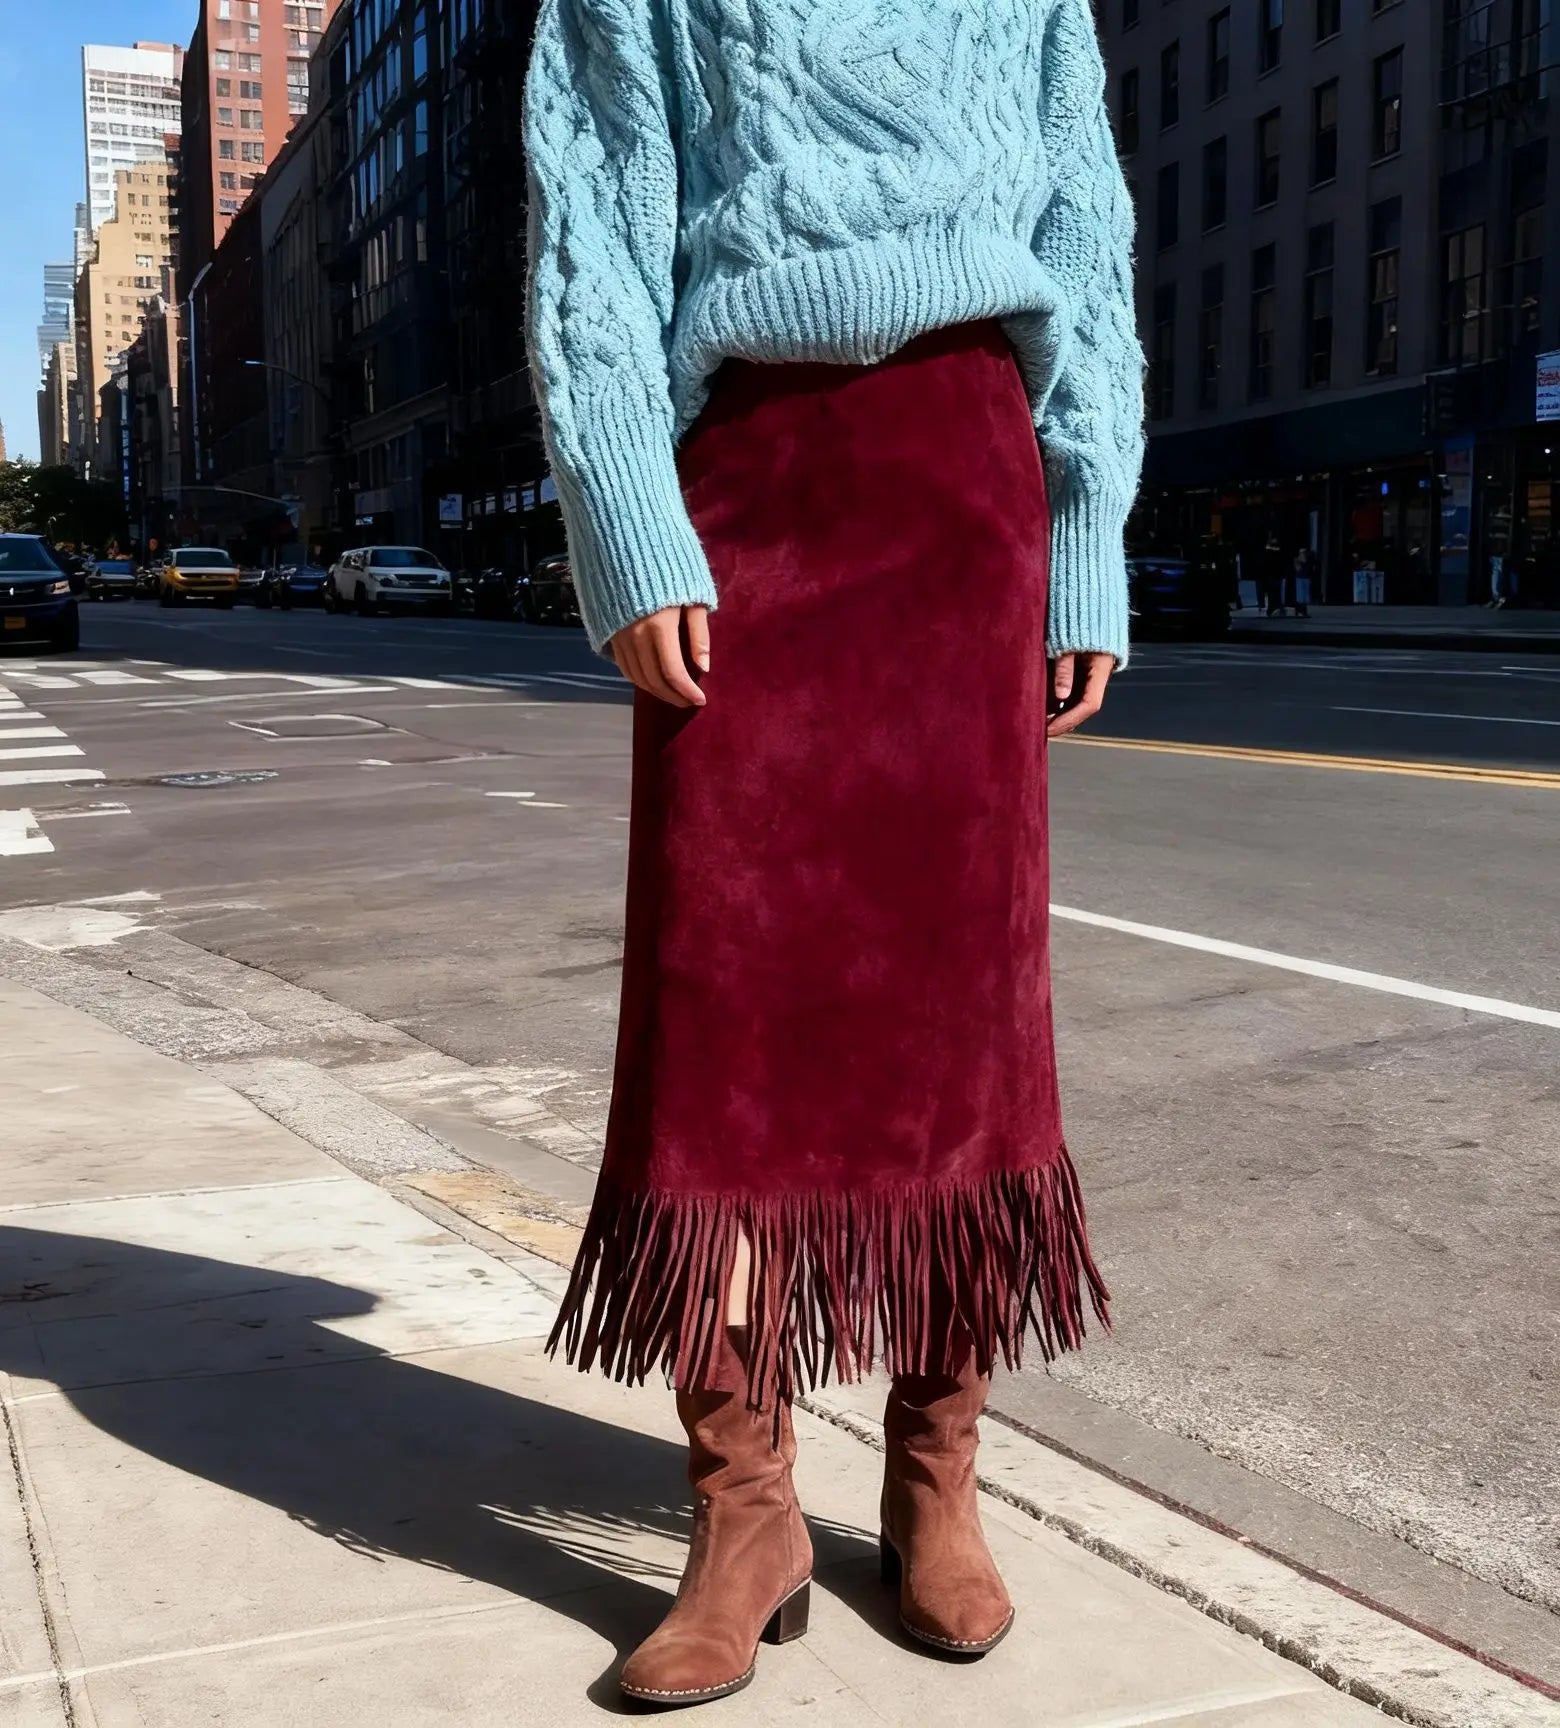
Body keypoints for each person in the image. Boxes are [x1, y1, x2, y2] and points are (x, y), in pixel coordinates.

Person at [525, 0, 1140, 1705]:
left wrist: (1086, 531)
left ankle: (936, 1472)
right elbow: (594, 224)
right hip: (747, 480)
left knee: (965, 1015)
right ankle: (745, 1509)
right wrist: (627, 518)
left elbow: (1085, 227)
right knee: (722, 1016)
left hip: (963, 480)